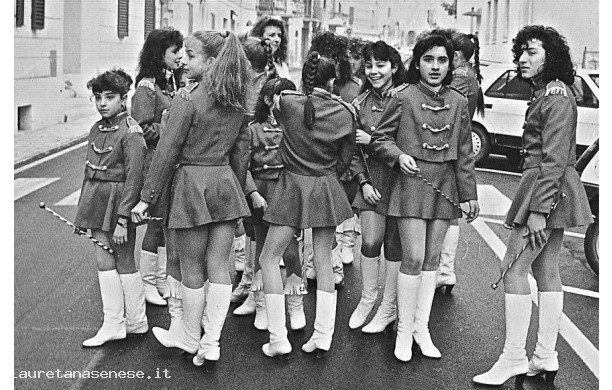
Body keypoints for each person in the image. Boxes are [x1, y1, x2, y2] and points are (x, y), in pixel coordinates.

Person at [473, 25, 592, 386]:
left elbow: (554, 159)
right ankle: (545, 355)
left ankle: (514, 357)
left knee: (513, 270)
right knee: (547, 271)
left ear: (550, 56)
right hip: (549, 186)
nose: (523, 59)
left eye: (532, 52)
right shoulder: (552, 92)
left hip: (545, 187)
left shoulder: (555, 95)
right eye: (521, 52)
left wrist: (539, 210)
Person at [131, 30, 251, 368]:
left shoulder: (188, 99)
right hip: (225, 185)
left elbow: (166, 153)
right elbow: (242, 153)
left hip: (190, 186)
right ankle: (211, 341)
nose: (183, 59)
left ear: (211, 62)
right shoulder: (237, 99)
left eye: (191, 54)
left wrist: (146, 198)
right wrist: (237, 192)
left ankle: (189, 335)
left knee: (192, 267)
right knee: (220, 267)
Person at [371, 33, 479, 362]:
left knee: (432, 262)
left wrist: (469, 194)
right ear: (417, 63)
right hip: (411, 183)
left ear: (450, 65)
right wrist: (397, 155)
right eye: (428, 60)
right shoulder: (403, 96)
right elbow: (379, 138)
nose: (435, 66)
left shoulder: (459, 102)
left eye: (442, 60)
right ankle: (404, 330)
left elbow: (463, 153)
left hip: (444, 186)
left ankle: (422, 328)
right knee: (413, 257)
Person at [256, 52, 358, 357]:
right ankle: (323, 335)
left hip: (292, 185)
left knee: (268, 258)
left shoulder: (288, 102)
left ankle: (278, 339)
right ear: (333, 80)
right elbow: (346, 158)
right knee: (324, 259)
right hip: (326, 185)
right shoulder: (345, 112)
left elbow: (282, 97)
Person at [74, 68, 148, 347]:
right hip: (96, 200)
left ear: (123, 98)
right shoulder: (96, 128)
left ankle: (134, 320)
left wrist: (122, 220)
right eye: (97, 97)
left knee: (123, 260)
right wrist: (83, 212)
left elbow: (134, 180)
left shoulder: (131, 132)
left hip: (118, 204)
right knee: (104, 261)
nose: (103, 103)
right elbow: (89, 172)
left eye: (109, 97)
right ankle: (117, 323)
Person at [237, 75, 307, 332]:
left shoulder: (297, 128)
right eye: (282, 95)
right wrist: (253, 193)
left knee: (290, 251)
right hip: (261, 193)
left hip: (287, 192)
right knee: (261, 250)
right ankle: (262, 304)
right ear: (268, 100)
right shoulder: (252, 129)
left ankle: (295, 305)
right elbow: (242, 167)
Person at [347, 41, 408, 331]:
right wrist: (363, 182)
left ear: (394, 67)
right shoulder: (359, 103)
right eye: (369, 65)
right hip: (371, 182)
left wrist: (373, 144)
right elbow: (352, 152)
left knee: (394, 246)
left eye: (381, 65)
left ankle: (389, 306)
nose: (374, 71)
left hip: (400, 181)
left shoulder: (405, 99)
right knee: (370, 242)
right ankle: (368, 298)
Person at [131, 28, 184, 307]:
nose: (180, 56)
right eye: (175, 51)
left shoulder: (171, 82)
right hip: (154, 163)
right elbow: (139, 128)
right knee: (154, 226)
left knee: (164, 224)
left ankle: (161, 278)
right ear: (159, 54)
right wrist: (168, 130)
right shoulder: (146, 87)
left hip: (170, 162)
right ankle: (147, 282)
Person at [305, 32, 361, 283]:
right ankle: (323, 263)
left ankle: (332, 262)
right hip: (328, 165)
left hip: (339, 164)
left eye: (336, 56)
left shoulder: (353, 88)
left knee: (334, 219)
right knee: (325, 221)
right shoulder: (314, 88)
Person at [437, 30, 486, 293]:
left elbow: (445, 106)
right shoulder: (471, 75)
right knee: (450, 212)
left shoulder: (459, 77)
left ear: (456, 55)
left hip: (451, 148)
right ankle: (446, 270)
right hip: (459, 146)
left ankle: (444, 271)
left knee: (448, 214)